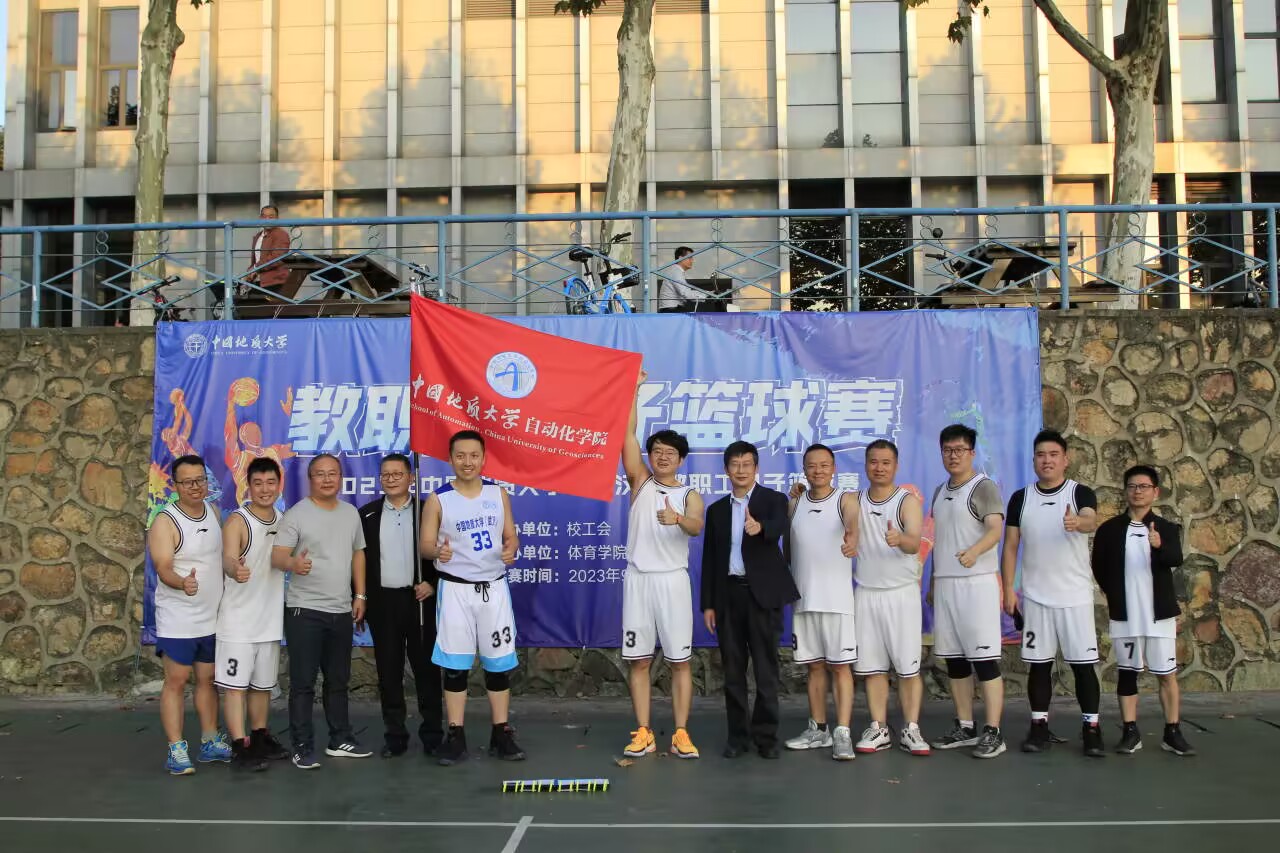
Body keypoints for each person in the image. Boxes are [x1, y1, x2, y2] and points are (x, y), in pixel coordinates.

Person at [419, 430, 525, 766]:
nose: (467, 462)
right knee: (455, 667)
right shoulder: (439, 499)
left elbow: (511, 536)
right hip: (455, 591)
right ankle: (456, 734)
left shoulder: (497, 494)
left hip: (493, 589)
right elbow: (425, 545)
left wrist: (511, 549)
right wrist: (437, 551)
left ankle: (501, 732)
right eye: (460, 455)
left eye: (474, 455)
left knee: (498, 666)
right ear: (450, 459)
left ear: (483, 458)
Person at [1001, 429, 1104, 757]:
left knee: (1083, 666)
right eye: (1041, 455)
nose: (1047, 460)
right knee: (1039, 666)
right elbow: (1011, 546)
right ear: (1034, 460)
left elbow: (1090, 519)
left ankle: (1091, 729)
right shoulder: (1021, 498)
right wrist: (1008, 589)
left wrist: (1078, 523)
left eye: (1053, 455)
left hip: (1075, 597)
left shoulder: (1079, 493)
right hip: (1035, 597)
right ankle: (1038, 727)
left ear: (1065, 460)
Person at [620, 370, 705, 760]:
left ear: (681, 460)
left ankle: (681, 733)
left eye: (670, 452)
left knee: (680, 662)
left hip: (672, 582)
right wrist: (634, 390)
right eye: (657, 451)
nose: (663, 456)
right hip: (638, 580)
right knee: (638, 661)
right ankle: (644, 732)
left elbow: (697, 525)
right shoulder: (639, 480)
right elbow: (627, 435)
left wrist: (678, 520)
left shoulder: (689, 494)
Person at [271, 453, 372, 769]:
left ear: (340, 477)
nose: (327, 479)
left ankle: (340, 738)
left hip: (340, 610)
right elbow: (277, 556)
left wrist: (360, 594)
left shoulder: (350, 513)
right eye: (320, 474)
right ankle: (301, 745)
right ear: (310, 479)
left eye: (333, 473)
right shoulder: (297, 515)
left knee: (338, 680)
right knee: (303, 683)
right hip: (305, 611)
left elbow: (358, 554)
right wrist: (293, 563)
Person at [701, 440, 799, 759]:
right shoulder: (717, 510)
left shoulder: (772, 499)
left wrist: (761, 527)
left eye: (747, 464)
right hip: (728, 597)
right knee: (733, 673)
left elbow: (780, 525)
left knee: (766, 672)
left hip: (763, 598)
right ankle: (738, 738)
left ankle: (766, 738)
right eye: (735, 464)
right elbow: (710, 560)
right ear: (726, 470)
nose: (741, 470)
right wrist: (708, 604)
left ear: (756, 468)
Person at [1092, 465, 1195, 757]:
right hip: (1125, 615)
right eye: (1132, 486)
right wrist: (1112, 593)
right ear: (1125, 491)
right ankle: (1130, 732)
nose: (1138, 492)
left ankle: (1172, 732)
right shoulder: (1109, 530)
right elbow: (1098, 565)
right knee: (1127, 673)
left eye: (1144, 486)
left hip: (1158, 614)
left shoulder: (1165, 528)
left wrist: (1159, 545)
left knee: (1166, 674)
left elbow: (1175, 559)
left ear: (1155, 492)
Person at [927, 424, 1008, 759]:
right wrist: (933, 581)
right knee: (956, 661)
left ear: (972, 452)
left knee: (985, 661)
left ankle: (993, 732)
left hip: (977, 584)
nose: (953, 455)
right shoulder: (939, 491)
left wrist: (975, 552)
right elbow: (939, 541)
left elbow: (995, 529)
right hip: (946, 585)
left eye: (959, 449)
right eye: (947, 450)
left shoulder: (983, 487)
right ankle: (965, 726)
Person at [147, 454, 231, 775]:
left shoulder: (213, 512)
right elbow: (163, 567)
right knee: (177, 680)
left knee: (207, 679)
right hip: (178, 617)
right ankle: (176, 749)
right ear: (175, 485)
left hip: (211, 617)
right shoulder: (165, 522)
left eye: (200, 480)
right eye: (188, 482)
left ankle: (210, 741)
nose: (196, 486)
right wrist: (182, 582)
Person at [358, 453, 444, 759]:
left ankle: (433, 734)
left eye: (397, 474)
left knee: (426, 671)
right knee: (389, 672)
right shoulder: (367, 515)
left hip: (419, 600)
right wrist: (360, 596)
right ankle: (395, 735)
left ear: (411, 477)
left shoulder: (427, 511)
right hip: (383, 603)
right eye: (386, 474)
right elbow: (358, 560)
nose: (391, 479)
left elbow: (447, 553)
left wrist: (432, 582)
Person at [852, 440, 930, 756]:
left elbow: (914, 542)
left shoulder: (906, 501)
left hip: (901, 594)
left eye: (886, 462)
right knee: (873, 668)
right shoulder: (855, 500)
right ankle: (879, 727)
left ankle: (911, 729)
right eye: (873, 461)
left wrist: (900, 539)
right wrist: (798, 495)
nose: (879, 467)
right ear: (866, 465)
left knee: (908, 668)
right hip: (867, 592)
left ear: (895, 466)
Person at [782, 444, 860, 760]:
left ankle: (843, 733)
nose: (818, 471)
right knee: (814, 667)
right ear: (804, 469)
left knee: (840, 668)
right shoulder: (795, 502)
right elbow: (789, 547)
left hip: (837, 601)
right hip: (804, 600)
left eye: (824, 465)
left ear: (834, 468)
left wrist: (852, 534)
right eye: (812, 466)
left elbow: (852, 520)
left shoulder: (845, 499)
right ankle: (819, 730)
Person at [217, 457, 290, 772]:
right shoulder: (238, 521)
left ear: (279, 484)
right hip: (238, 623)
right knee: (236, 687)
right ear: (248, 485)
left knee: (262, 686)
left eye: (270, 482)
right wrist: (235, 569)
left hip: (269, 620)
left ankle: (260, 737)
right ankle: (240, 745)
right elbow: (228, 559)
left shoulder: (284, 521)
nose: (264, 489)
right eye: (257, 483)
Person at [246, 204, 291, 292]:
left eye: (271, 217)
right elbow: (256, 260)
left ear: (277, 218)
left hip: (276, 282)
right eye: (264, 216)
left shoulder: (281, 234)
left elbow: (276, 258)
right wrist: (249, 272)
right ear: (260, 218)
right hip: (259, 281)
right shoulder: (258, 236)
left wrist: (255, 268)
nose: (267, 220)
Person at [657, 246, 707, 313]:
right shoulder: (676, 271)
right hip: (671, 311)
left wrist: (707, 293)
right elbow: (685, 293)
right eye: (690, 258)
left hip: (672, 309)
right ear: (680, 258)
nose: (692, 261)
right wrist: (707, 296)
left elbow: (686, 291)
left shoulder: (676, 270)